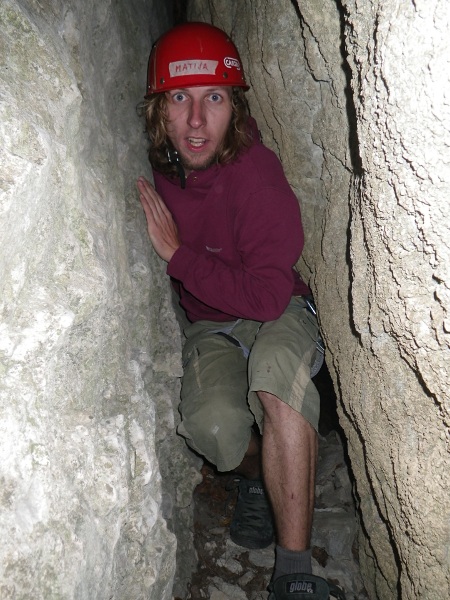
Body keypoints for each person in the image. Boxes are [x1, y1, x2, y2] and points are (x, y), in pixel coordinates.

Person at [137, 21, 344, 600]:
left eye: (214, 99)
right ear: (158, 110)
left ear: (235, 107)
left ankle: (295, 573)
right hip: (212, 323)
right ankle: (259, 473)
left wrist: (179, 257)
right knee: (214, 429)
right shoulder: (159, 172)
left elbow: (268, 296)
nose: (196, 121)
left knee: (276, 380)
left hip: (276, 308)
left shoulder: (256, 175)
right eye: (180, 98)